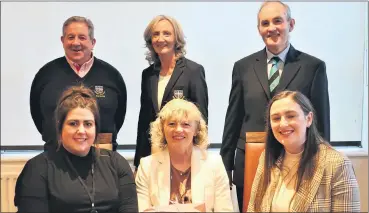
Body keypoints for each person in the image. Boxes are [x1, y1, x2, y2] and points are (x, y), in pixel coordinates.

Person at [220, 1, 330, 211]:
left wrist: (322, 164)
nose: (271, 28)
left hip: (299, 163)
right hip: (250, 162)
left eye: (278, 21)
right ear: (259, 28)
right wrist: (225, 166)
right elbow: (233, 119)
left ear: (291, 24)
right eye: (265, 23)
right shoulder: (242, 67)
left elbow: (320, 121)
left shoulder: (313, 67)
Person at [15, 85, 138, 213]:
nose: (81, 131)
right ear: (60, 126)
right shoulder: (38, 168)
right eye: (73, 123)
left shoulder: (117, 163)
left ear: (96, 128)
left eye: (88, 124)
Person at [247, 90, 360, 212]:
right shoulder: (267, 158)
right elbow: (253, 208)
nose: (283, 124)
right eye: (276, 118)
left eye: (291, 116)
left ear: (309, 119)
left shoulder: (337, 164)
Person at [30, 16, 127, 151]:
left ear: (93, 42)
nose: (76, 43)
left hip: (102, 158)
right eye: (70, 37)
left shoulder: (112, 75)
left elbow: (119, 117)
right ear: (62, 41)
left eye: (82, 37)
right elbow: (38, 115)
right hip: (56, 158)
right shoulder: (46, 74)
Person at [134, 15, 209, 170]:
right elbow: (144, 121)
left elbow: (201, 119)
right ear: (150, 40)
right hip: (154, 155)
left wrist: (199, 157)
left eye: (166, 33)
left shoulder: (193, 71)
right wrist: (138, 162)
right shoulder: (148, 75)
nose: (161, 39)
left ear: (176, 39)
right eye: (156, 34)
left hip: (184, 155)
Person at [135, 99, 233, 212]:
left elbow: (225, 210)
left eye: (185, 124)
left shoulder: (214, 163)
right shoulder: (147, 166)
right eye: (172, 124)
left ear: (196, 130)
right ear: (162, 129)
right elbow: (142, 210)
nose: (178, 129)